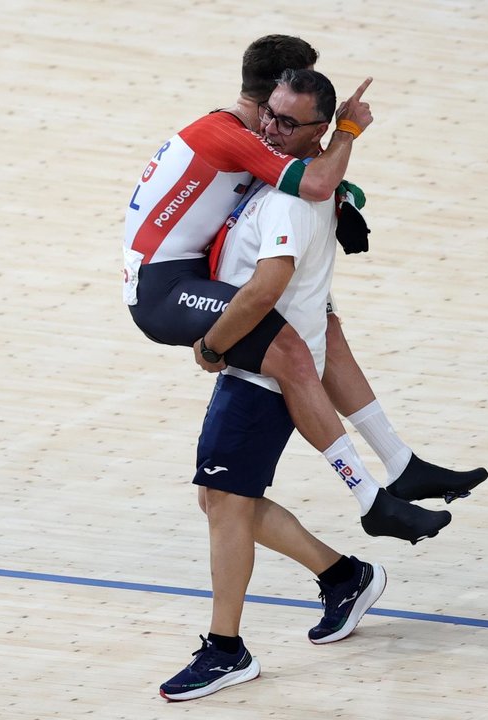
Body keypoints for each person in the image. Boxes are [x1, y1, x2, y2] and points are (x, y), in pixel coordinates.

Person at [124, 35, 487, 543]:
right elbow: (312, 181)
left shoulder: (250, 132)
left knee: (324, 325)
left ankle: (401, 463)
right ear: (275, 93)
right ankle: (369, 498)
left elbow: (309, 179)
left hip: (192, 270)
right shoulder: (232, 134)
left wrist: (342, 203)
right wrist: (348, 131)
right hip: (164, 290)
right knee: (293, 350)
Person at [160, 70, 389, 701]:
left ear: (317, 132)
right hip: (262, 362)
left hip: (266, 368)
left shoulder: (293, 194)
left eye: (288, 124)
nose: (269, 130)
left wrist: (211, 344)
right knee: (218, 499)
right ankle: (343, 575)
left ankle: (226, 649)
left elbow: (267, 288)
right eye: (270, 116)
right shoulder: (281, 173)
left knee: (225, 504)